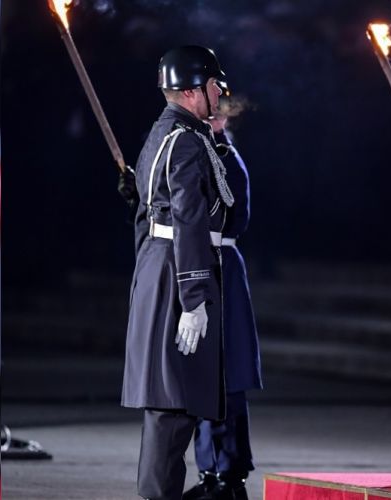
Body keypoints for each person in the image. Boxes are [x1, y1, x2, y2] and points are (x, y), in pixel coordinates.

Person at [121, 45, 232, 500]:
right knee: (172, 408)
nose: (219, 95)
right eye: (212, 86)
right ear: (191, 91)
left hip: (159, 271)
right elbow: (188, 221)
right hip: (176, 276)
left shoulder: (166, 132)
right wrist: (193, 298)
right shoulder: (184, 140)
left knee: (173, 407)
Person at [182, 87, 263, 500]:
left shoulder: (224, 158)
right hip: (205, 264)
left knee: (225, 375)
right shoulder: (200, 151)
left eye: (216, 116)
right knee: (203, 374)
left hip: (220, 269)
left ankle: (229, 474)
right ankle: (212, 471)